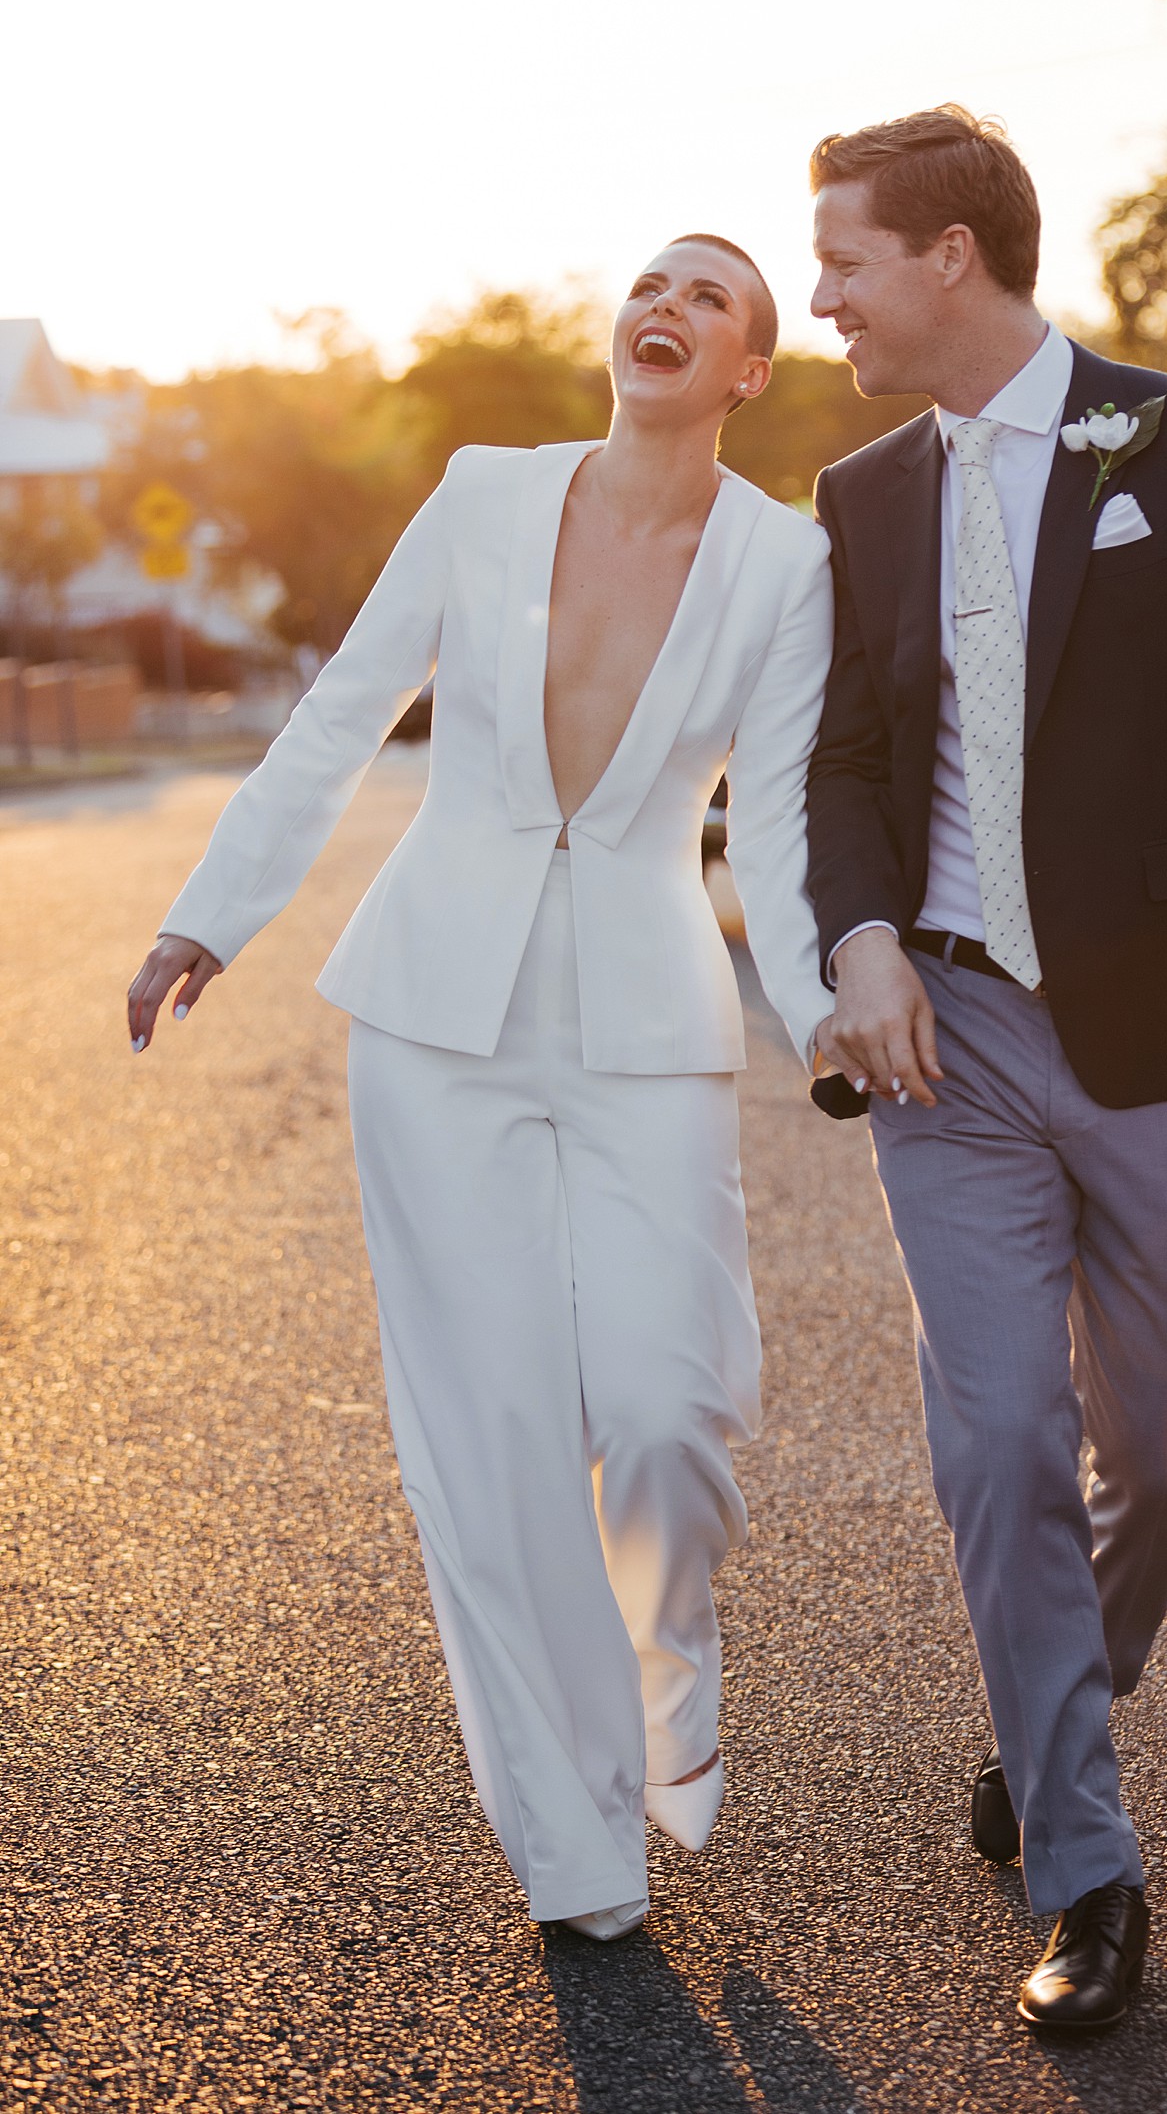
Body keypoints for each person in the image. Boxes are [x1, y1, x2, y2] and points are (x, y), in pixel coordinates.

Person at [127, 236, 837, 1945]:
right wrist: (207, 914)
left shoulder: (786, 562)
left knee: (669, 1411)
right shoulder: (482, 493)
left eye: (713, 296)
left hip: (649, 1024)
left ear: (749, 368)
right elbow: (341, 711)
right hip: (437, 1020)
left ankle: (671, 1663)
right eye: (653, 281)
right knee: (495, 1439)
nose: (664, 303)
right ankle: (579, 1845)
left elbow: (792, 823)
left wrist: (821, 1011)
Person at [804, 109, 1167, 2035]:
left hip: (1154, 1033)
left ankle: (1051, 1689)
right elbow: (847, 762)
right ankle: (1086, 1860)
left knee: (1161, 1450)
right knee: (994, 1441)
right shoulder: (860, 492)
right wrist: (860, 933)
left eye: (848, 261)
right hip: (949, 1037)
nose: (825, 298)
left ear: (954, 256)